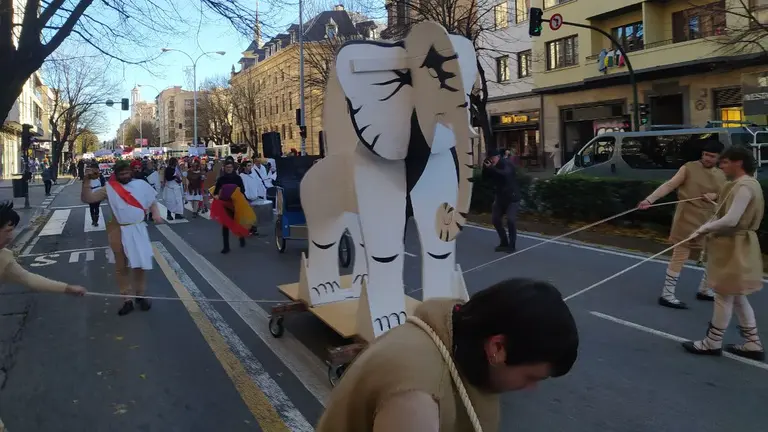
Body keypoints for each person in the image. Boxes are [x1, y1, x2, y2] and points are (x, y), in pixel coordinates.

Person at [316, 278, 579, 431]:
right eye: (531, 377)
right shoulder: (417, 396)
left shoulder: (458, 337)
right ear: (497, 348)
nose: (530, 388)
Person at [682, 146, 765, 361]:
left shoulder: (743, 186)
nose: (721, 166)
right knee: (736, 294)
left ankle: (712, 342)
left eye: (725, 162)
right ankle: (752, 342)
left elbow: (731, 219)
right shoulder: (742, 184)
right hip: (738, 243)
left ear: (738, 163)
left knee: (723, 294)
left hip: (734, 244)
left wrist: (702, 229)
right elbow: (727, 213)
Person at [637, 141, 725, 309]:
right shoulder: (689, 168)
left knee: (715, 254)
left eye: (712, 156)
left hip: (710, 219)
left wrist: (715, 195)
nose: (707, 158)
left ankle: (705, 289)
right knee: (680, 255)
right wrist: (650, 200)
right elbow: (670, 185)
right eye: (705, 154)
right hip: (687, 218)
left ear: (719, 158)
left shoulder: (721, 174)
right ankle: (667, 294)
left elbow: (726, 194)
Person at [81, 160, 163, 316]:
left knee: (139, 265)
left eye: (127, 173)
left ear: (131, 172)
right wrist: (86, 180)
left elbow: (152, 201)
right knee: (121, 267)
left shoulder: (140, 184)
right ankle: (127, 299)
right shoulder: (109, 189)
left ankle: (140, 295)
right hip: (118, 229)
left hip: (138, 228)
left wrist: (156, 214)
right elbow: (88, 198)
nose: (125, 176)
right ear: (116, 175)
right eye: (121, 174)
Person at [0, 201, 86, 296]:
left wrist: (67, 288)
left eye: (12, 231)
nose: (11, 237)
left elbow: (28, 278)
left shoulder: (4, 257)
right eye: (7, 231)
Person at [482, 149, 521, 253]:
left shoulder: (506, 163)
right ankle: (504, 242)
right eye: (490, 159)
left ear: (498, 157)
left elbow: (506, 175)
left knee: (510, 220)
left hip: (512, 198)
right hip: (500, 198)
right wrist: (485, 169)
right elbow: (485, 179)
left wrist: (492, 168)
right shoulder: (492, 166)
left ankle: (512, 245)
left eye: (493, 158)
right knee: (495, 220)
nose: (492, 160)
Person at [213, 159, 247, 253]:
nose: (229, 169)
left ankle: (241, 237)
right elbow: (215, 192)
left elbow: (243, 190)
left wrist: (237, 193)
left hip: (235, 203)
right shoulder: (221, 179)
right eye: (227, 167)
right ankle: (226, 246)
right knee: (225, 225)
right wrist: (216, 196)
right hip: (225, 204)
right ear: (224, 168)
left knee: (237, 223)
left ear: (233, 168)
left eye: (230, 167)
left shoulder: (237, 178)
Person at [86, 162, 106, 227]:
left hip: (98, 192)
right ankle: (93, 220)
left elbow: (103, 184)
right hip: (90, 192)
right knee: (92, 207)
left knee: (96, 207)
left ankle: (96, 221)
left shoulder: (100, 176)